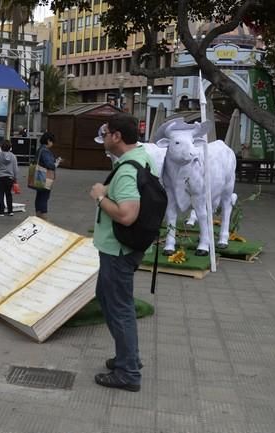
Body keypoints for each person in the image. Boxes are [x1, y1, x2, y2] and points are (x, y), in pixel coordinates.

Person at [88, 113, 156, 393]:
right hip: (123, 248)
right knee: (109, 299)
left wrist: (100, 195)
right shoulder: (142, 157)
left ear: (117, 136)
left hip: (118, 250)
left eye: (105, 134)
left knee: (119, 309)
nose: (103, 139)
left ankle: (128, 371)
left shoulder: (128, 168)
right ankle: (128, 358)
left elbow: (127, 215)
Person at [34, 131, 61, 220]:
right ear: (49, 141)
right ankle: (43, 217)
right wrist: (56, 163)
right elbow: (50, 165)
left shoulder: (40, 149)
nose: (52, 144)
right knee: (44, 197)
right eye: (52, 142)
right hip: (45, 177)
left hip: (38, 176)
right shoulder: (45, 151)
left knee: (39, 196)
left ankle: (38, 215)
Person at [0, 139, 19, 216]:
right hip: (9, 178)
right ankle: (10, 211)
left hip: (0, 177)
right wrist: (15, 178)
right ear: (10, 147)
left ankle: (1, 211)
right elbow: (15, 168)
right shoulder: (13, 156)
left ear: (1, 147)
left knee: (0, 194)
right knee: (8, 194)